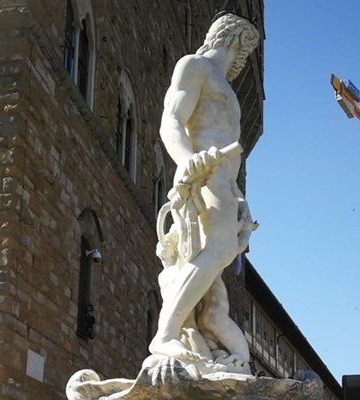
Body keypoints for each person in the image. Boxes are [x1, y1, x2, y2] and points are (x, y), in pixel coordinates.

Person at [149, 12, 259, 371]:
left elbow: (232, 149)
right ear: (236, 41)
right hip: (204, 173)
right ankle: (165, 333)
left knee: (212, 260)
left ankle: (195, 333)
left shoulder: (227, 90)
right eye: (246, 49)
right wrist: (185, 160)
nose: (244, 61)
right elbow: (171, 121)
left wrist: (240, 197)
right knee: (218, 249)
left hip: (224, 183)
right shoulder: (193, 65)